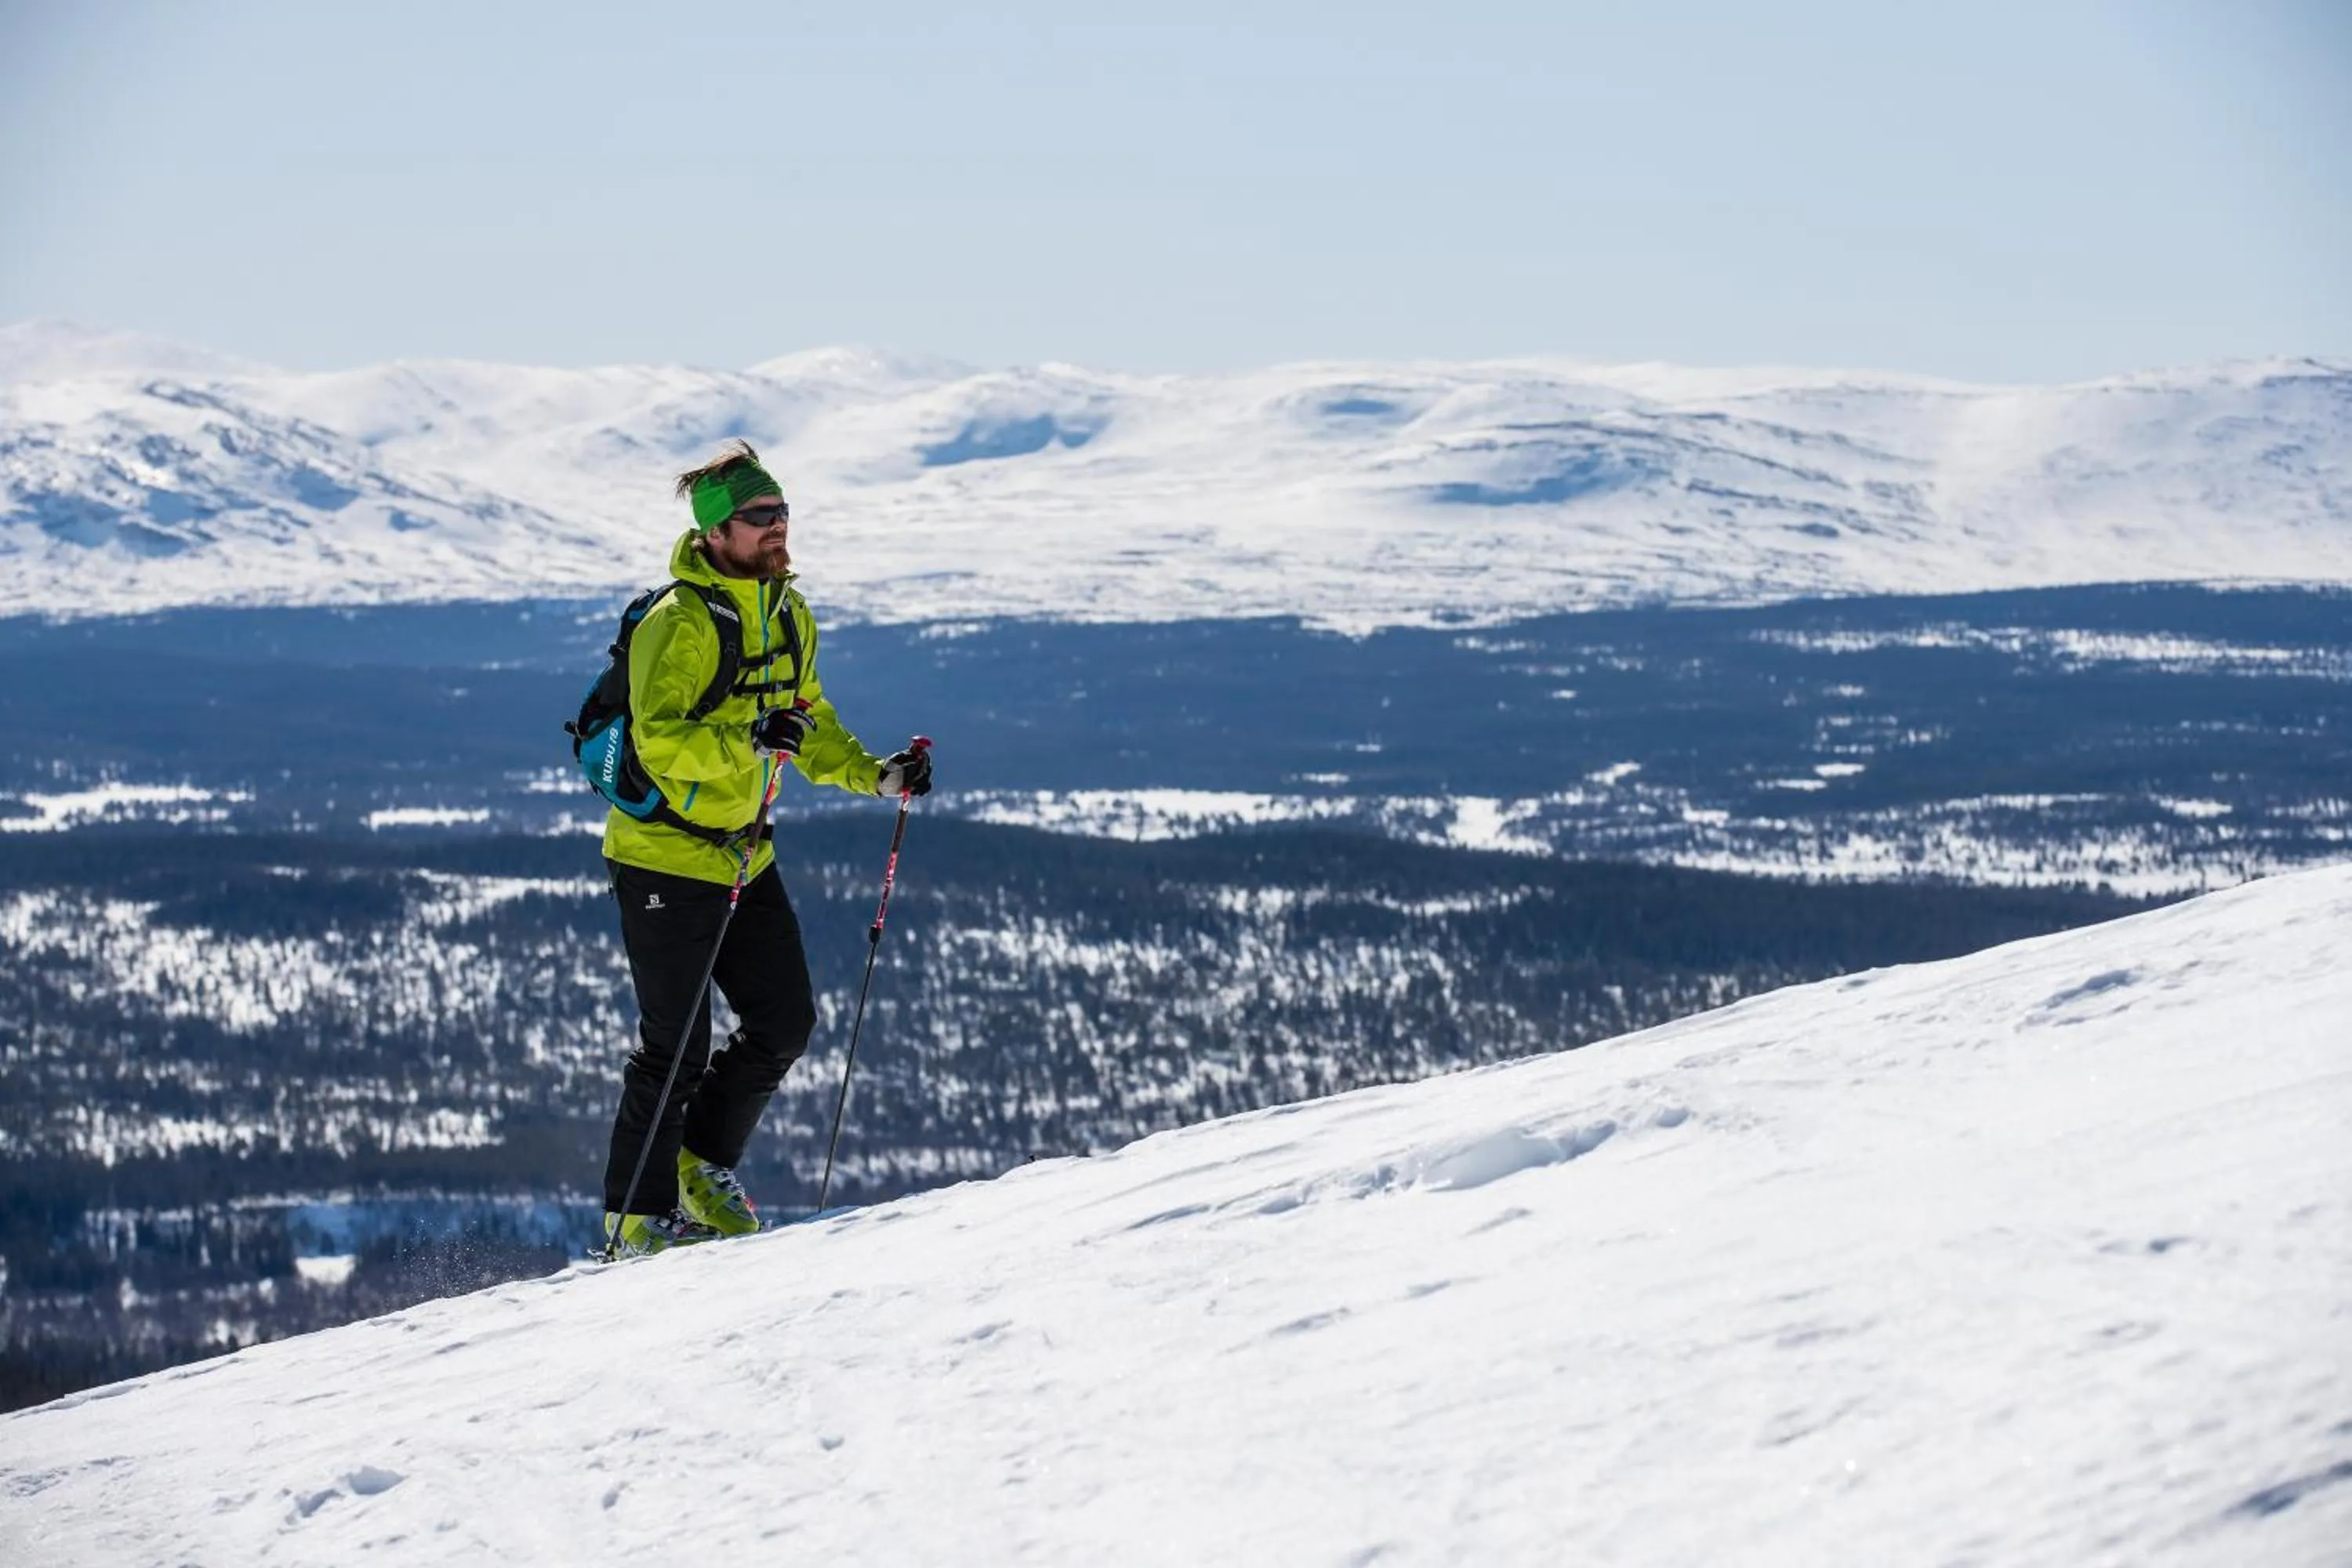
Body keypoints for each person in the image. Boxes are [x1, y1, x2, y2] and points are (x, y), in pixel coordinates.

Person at [599, 440, 931, 1257]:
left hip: (747, 853)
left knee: (784, 1023)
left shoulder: (790, 614)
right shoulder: (678, 622)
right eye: (759, 516)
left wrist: (876, 777)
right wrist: (749, 739)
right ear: (717, 533)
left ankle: (698, 1162)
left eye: (782, 511)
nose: (778, 526)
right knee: (673, 1045)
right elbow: (661, 742)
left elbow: (806, 723)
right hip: (663, 858)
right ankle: (633, 1219)